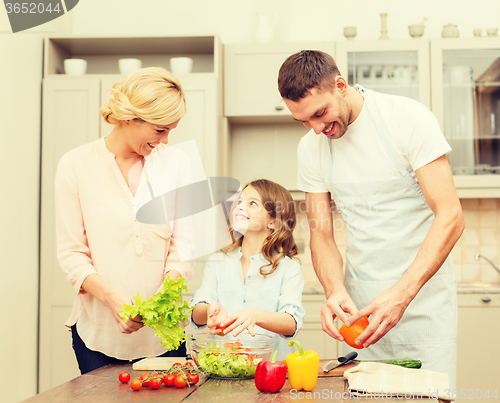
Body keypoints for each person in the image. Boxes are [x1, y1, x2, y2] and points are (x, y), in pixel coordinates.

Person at [278, 50, 464, 386]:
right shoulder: (311, 148)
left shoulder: (406, 119)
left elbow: (450, 215)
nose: (316, 129)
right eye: (303, 121)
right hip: (360, 319)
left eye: (320, 114)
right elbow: (321, 235)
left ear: (340, 85)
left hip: (423, 306)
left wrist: (401, 295)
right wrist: (333, 289)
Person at [55, 67, 194, 374]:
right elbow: (71, 253)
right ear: (129, 118)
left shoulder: (177, 163)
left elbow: (184, 246)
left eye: (172, 130)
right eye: (160, 130)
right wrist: (113, 299)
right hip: (97, 335)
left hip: (164, 336)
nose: (166, 139)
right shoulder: (75, 165)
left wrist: (165, 294)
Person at [190, 179, 306, 361]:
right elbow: (197, 315)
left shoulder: (289, 269)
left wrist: (255, 315)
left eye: (252, 203)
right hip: (223, 367)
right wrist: (209, 310)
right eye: (239, 203)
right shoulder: (216, 262)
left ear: (273, 223)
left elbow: (291, 322)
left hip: (270, 370)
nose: (240, 208)